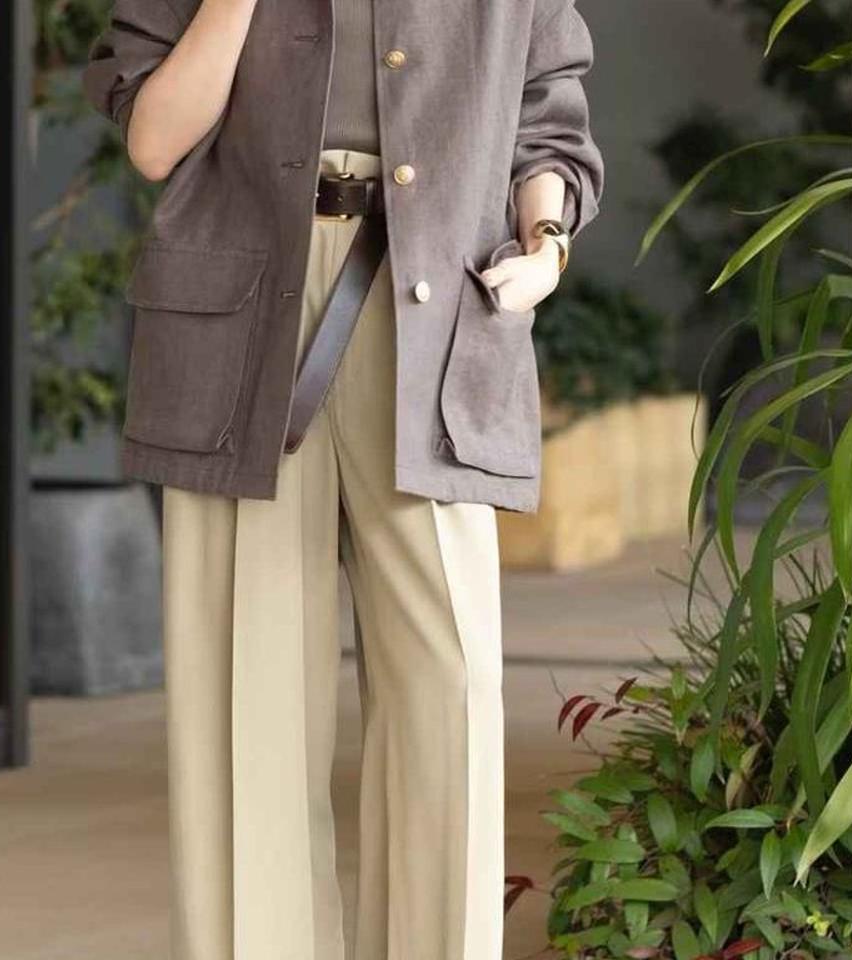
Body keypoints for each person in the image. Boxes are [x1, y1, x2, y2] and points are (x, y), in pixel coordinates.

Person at [83, 1, 604, 956]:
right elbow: (154, 141)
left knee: (449, 694)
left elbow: (548, 113)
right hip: (243, 322)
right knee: (248, 699)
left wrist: (547, 244)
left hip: (437, 305)